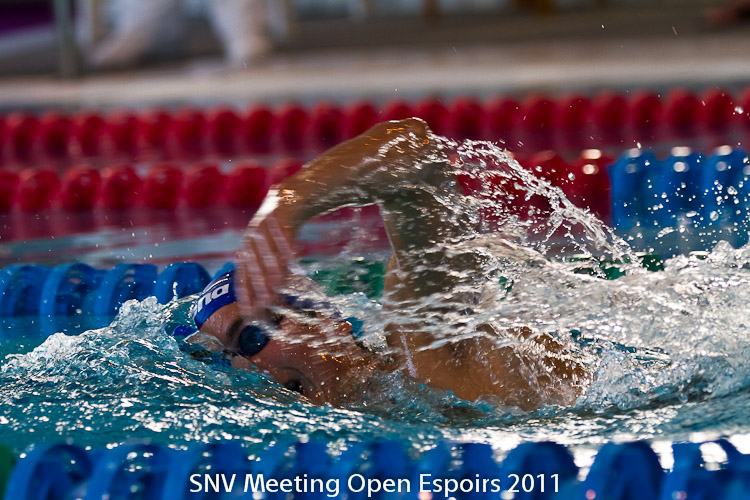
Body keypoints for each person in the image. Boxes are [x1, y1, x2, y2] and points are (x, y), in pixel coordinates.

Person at [190, 118, 592, 410]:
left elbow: (415, 153)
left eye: (252, 338)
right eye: (223, 359)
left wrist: (290, 200)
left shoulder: (426, 340)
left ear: (329, 323)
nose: (244, 368)